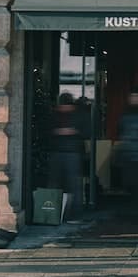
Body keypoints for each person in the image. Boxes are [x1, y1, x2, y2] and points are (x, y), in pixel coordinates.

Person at [49, 93, 85, 223]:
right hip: (62, 151)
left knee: (73, 184)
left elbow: (85, 130)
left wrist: (70, 131)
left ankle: (73, 214)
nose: (64, 109)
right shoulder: (55, 115)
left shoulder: (76, 116)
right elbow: (48, 130)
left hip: (71, 152)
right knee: (56, 183)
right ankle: (53, 213)